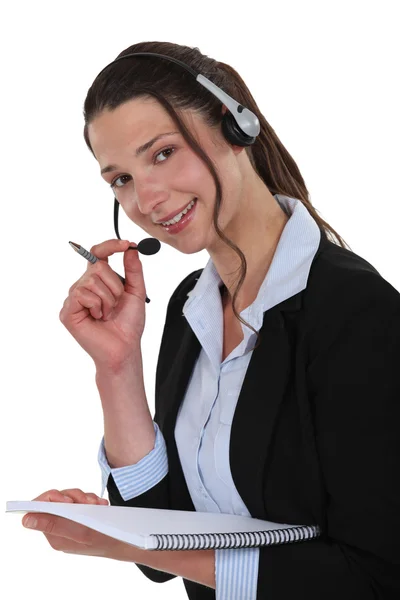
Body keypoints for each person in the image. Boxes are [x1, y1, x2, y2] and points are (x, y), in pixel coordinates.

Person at [21, 41, 400, 599]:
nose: (146, 197)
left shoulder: (355, 314)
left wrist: (133, 543)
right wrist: (118, 365)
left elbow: (376, 577)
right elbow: (165, 547)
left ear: (235, 127)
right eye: (120, 179)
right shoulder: (189, 311)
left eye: (162, 153)